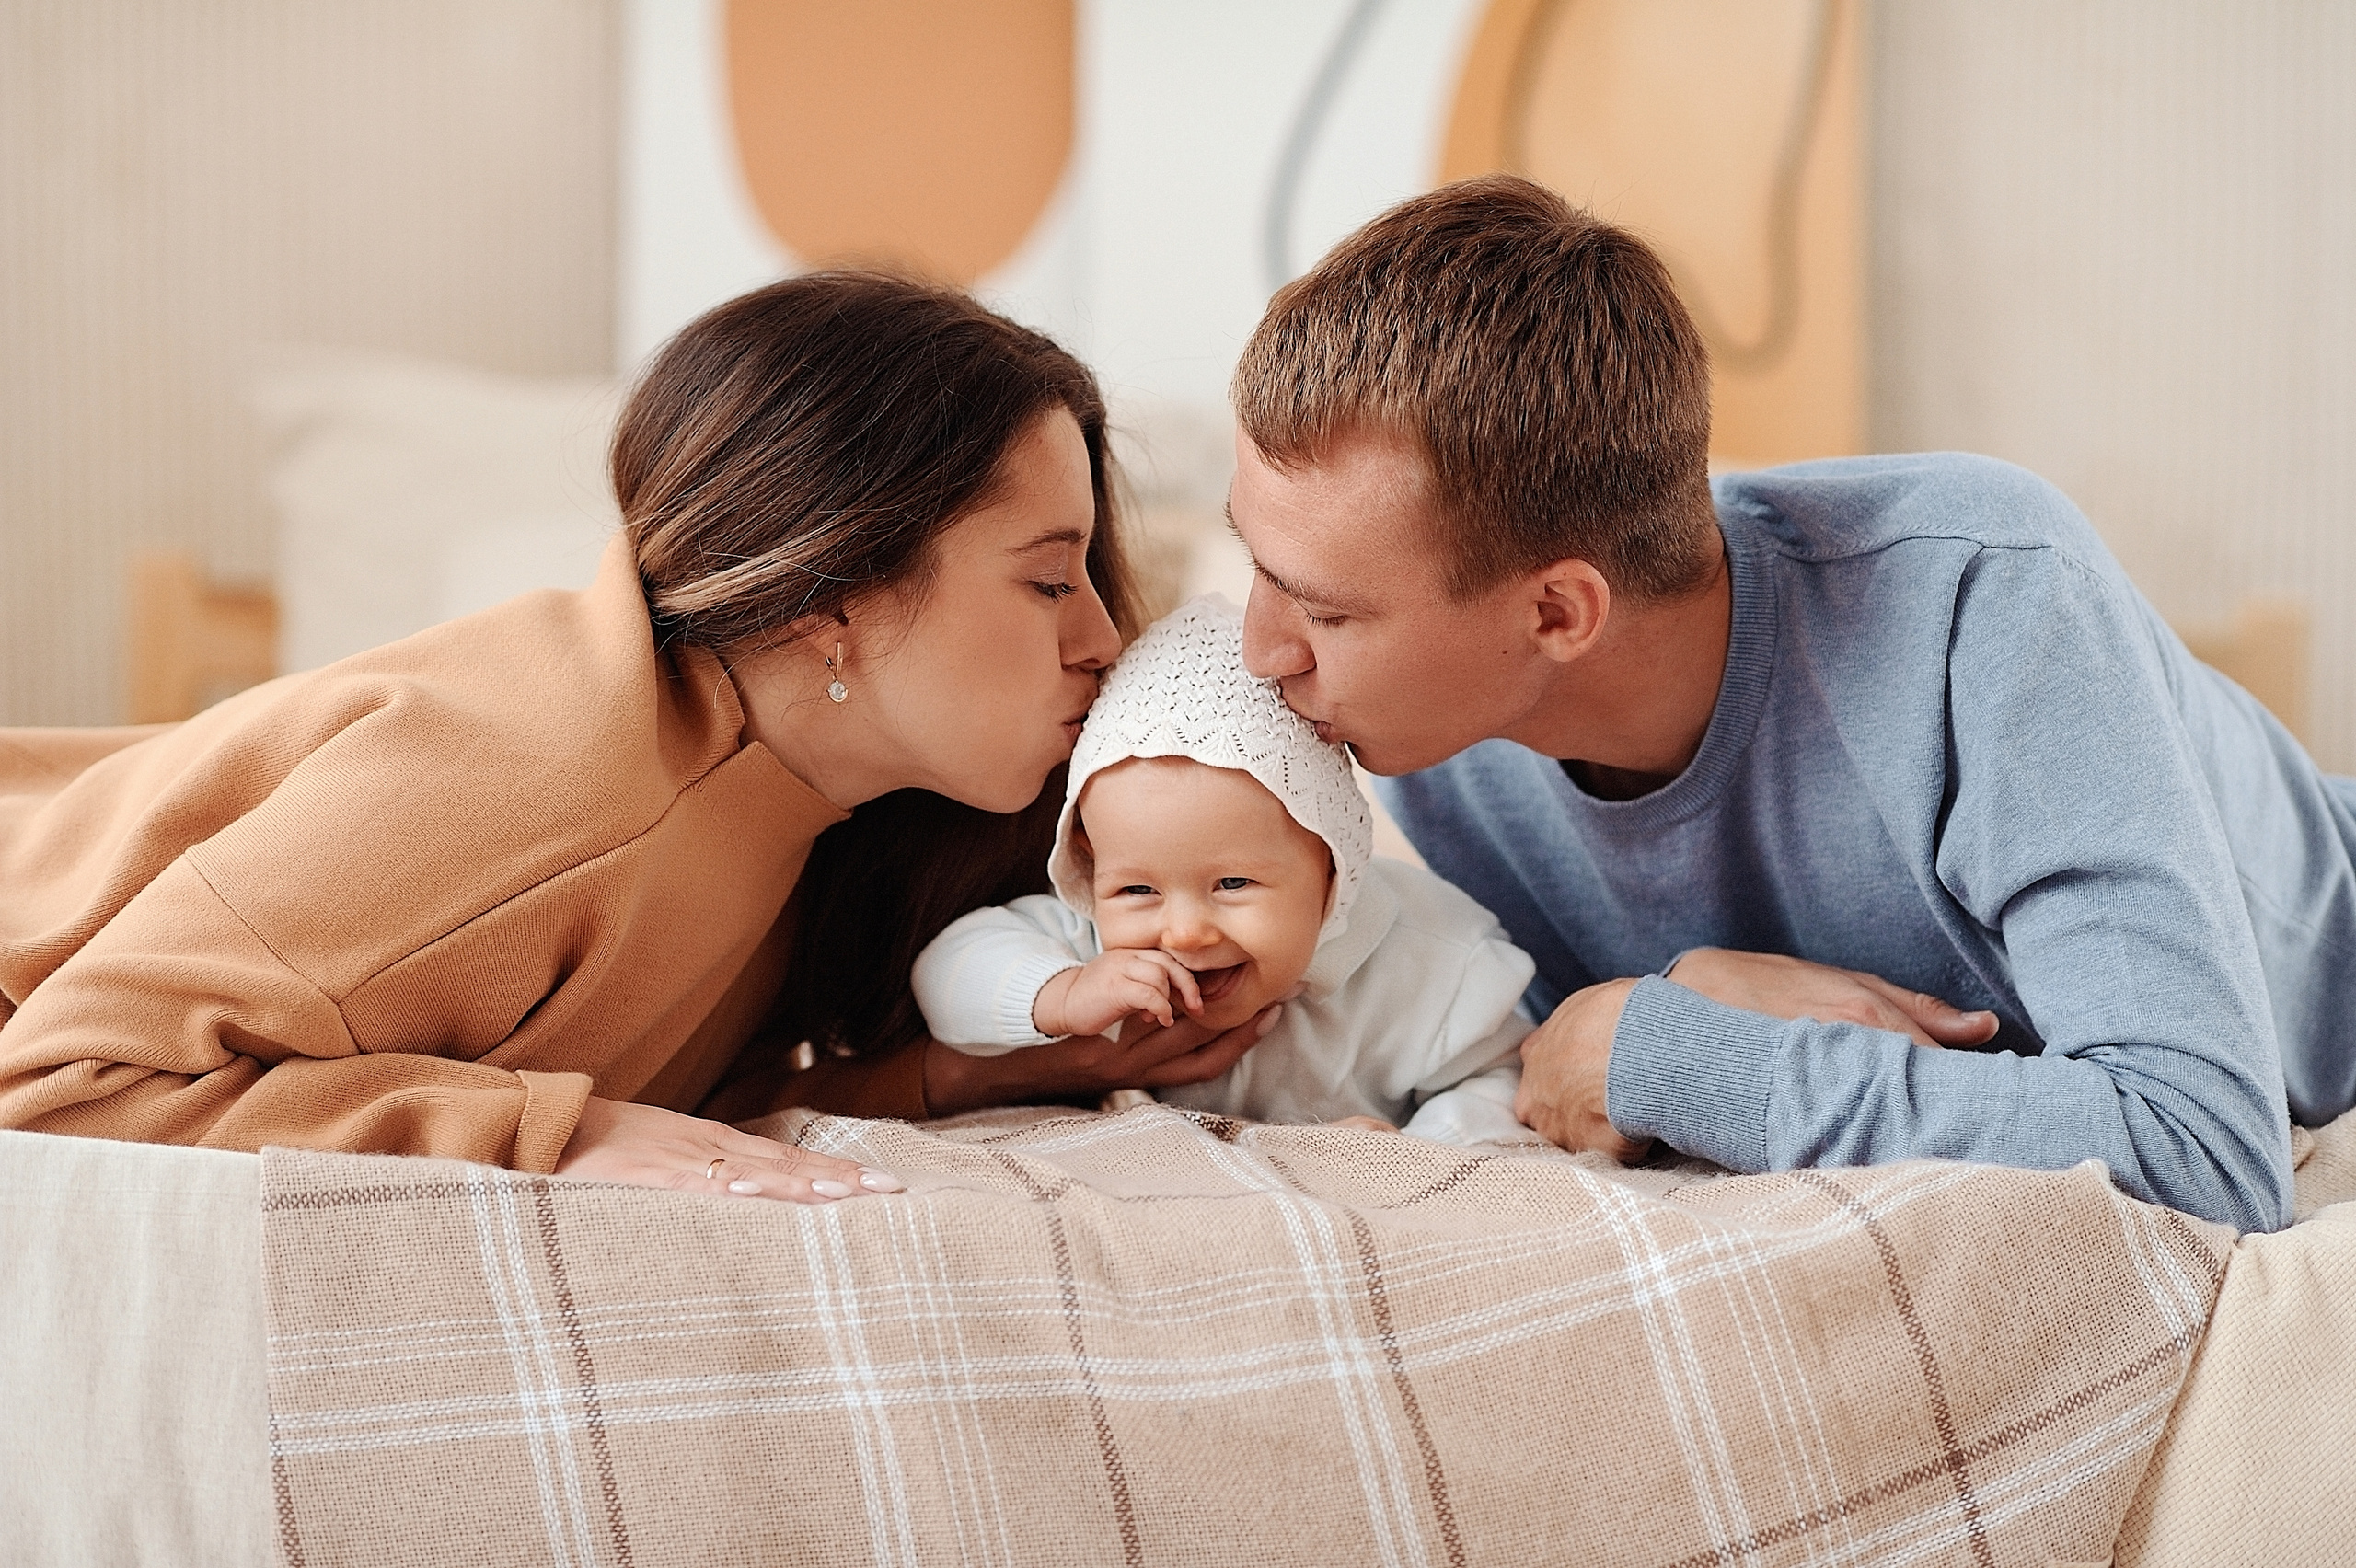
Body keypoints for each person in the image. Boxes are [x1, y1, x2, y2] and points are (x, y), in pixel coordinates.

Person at [1223, 175, 2356, 1233]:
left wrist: (1667, 1049)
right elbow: (1565, 1063)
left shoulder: (1986, 595)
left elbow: (2200, 1149)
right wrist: (1687, 993)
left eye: (1323, 612)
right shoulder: (1444, 746)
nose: (1259, 648)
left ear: (1561, 615)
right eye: (1258, 569)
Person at [0, 272, 1272, 1200]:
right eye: (1050, 581)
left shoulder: (804, 805)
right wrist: (556, 1135)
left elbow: (663, 1095)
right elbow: (57, 1092)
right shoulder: (522, 778)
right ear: (831, 596)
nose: (1107, 638)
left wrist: (953, 1080)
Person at [912, 594, 1534, 1144]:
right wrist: (1059, 995)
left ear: (1330, 867)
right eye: (1135, 889)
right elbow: (948, 971)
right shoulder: (1089, 954)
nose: (1183, 932)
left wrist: (1423, 1147)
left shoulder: (1428, 958)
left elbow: (1505, 1072)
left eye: (1232, 883)